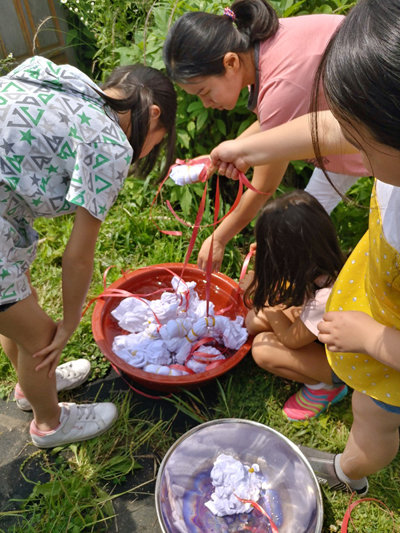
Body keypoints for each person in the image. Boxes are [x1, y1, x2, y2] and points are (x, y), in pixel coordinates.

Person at [211, 0, 400, 498]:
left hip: (388, 339)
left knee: (374, 421)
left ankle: (350, 470)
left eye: (358, 133)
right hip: (378, 297)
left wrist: (373, 337)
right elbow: (333, 128)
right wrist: (250, 148)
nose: (348, 143)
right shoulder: (388, 150)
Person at [0, 55, 177, 448]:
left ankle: (32, 388)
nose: (148, 150)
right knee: (41, 336)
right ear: (153, 113)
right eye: (158, 139)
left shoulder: (57, 76)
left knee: (20, 304)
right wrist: (65, 326)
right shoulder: (109, 144)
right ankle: (50, 423)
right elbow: (78, 256)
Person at [163, 0, 368, 272]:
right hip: (357, 117)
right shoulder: (266, 45)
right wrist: (231, 150)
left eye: (204, 92)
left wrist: (219, 238)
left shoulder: (281, 87)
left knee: (308, 220)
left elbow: (262, 187)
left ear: (231, 62)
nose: (207, 104)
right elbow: (275, 125)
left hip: (378, 123)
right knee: (306, 216)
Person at [244, 190, 347, 421]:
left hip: (345, 365)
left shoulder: (325, 297)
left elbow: (291, 339)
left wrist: (267, 296)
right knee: (254, 320)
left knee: (262, 348)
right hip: (322, 334)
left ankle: (324, 388)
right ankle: (317, 373)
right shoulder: (325, 267)